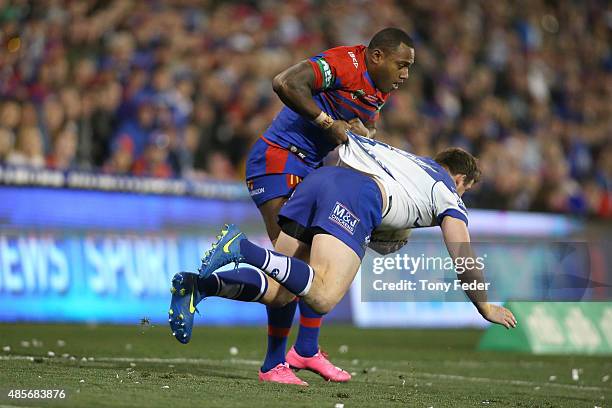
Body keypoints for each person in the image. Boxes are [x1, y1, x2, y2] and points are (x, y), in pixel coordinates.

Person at [168, 139, 517, 385]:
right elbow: (463, 254)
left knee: (281, 291)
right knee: (322, 295)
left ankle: (199, 286)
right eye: (465, 188)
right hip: (357, 195)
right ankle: (242, 248)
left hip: (320, 180)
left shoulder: (402, 158)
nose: (462, 194)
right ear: (460, 180)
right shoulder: (447, 192)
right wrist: (484, 305)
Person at [240, 27, 415, 384]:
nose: (405, 75)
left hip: (314, 168)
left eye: (409, 67)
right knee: (291, 265)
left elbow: (358, 127)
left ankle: (305, 350)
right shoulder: (345, 64)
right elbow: (285, 82)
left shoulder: (380, 89)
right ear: (377, 56)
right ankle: (274, 363)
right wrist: (327, 122)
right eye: (401, 65)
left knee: (317, 259)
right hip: (279, 160)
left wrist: (362, 135)